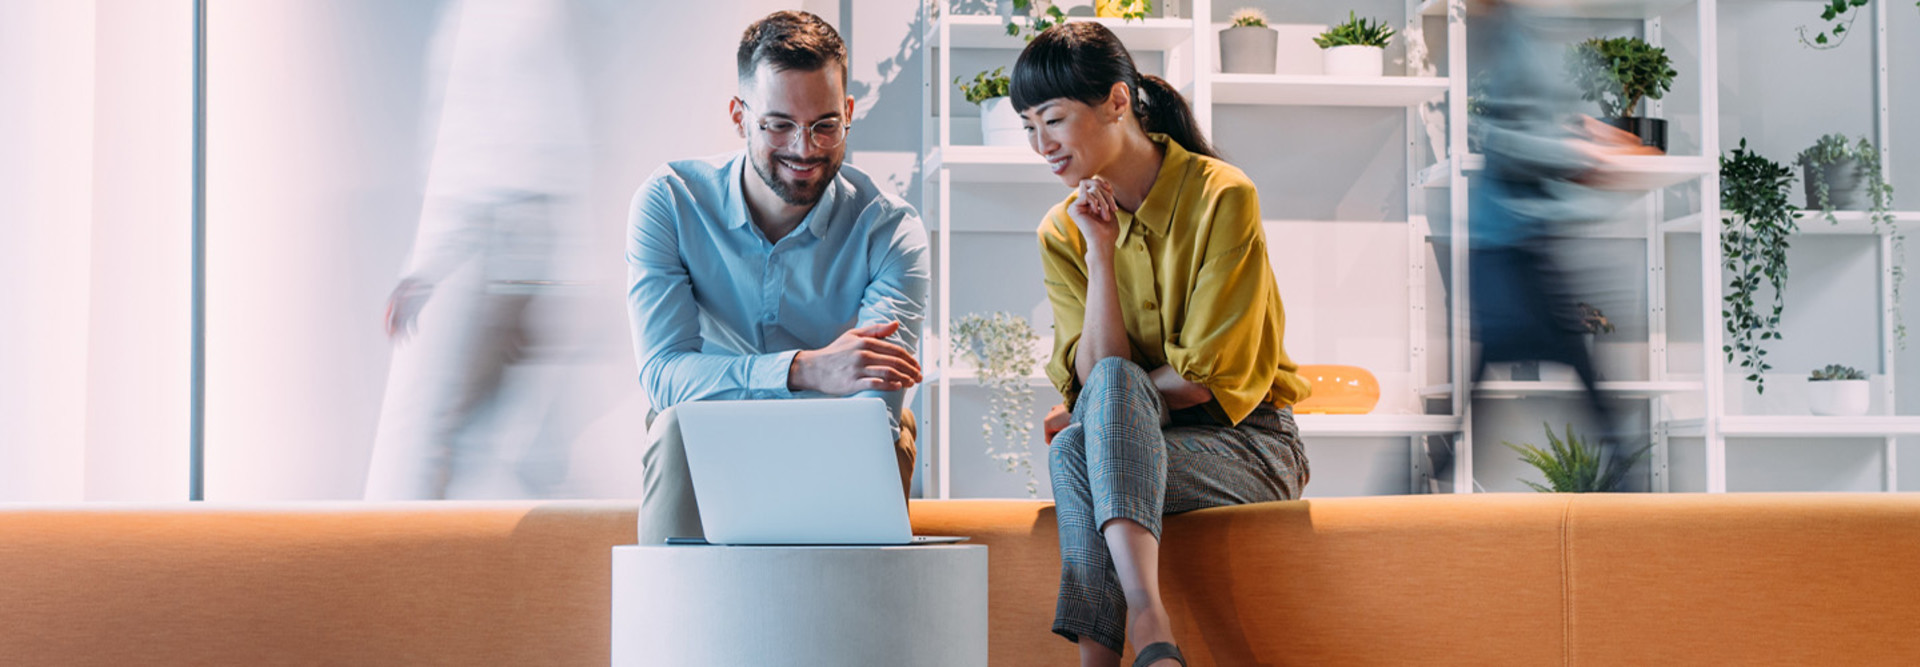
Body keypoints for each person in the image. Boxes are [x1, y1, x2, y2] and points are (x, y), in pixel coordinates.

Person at [1017, 22, 1311, 667]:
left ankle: (1136, 630)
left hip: (1251, 445)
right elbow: (1097, 381)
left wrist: (1102, 408)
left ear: (1117, 102)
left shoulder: (1221, 195)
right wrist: (1099, 252)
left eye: (1054, 120)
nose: (1042, 145)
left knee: (1094, 420)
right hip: (1140, 444)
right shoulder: (1062, 232)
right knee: (1081, 434)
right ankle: (1146, 649)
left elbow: (1204, 380)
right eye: (1028, 127)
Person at [626, 10, 930, 544]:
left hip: (841, 439)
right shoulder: (671, 202)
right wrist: (803, 370)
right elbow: (664, 376)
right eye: (779, 124)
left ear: (849, 113)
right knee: (675, 426)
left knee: (882, 440)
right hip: (708, 435)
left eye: (825, 125)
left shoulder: (890, 229)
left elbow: (871, 406)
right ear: (739, 116)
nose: (805, 148)